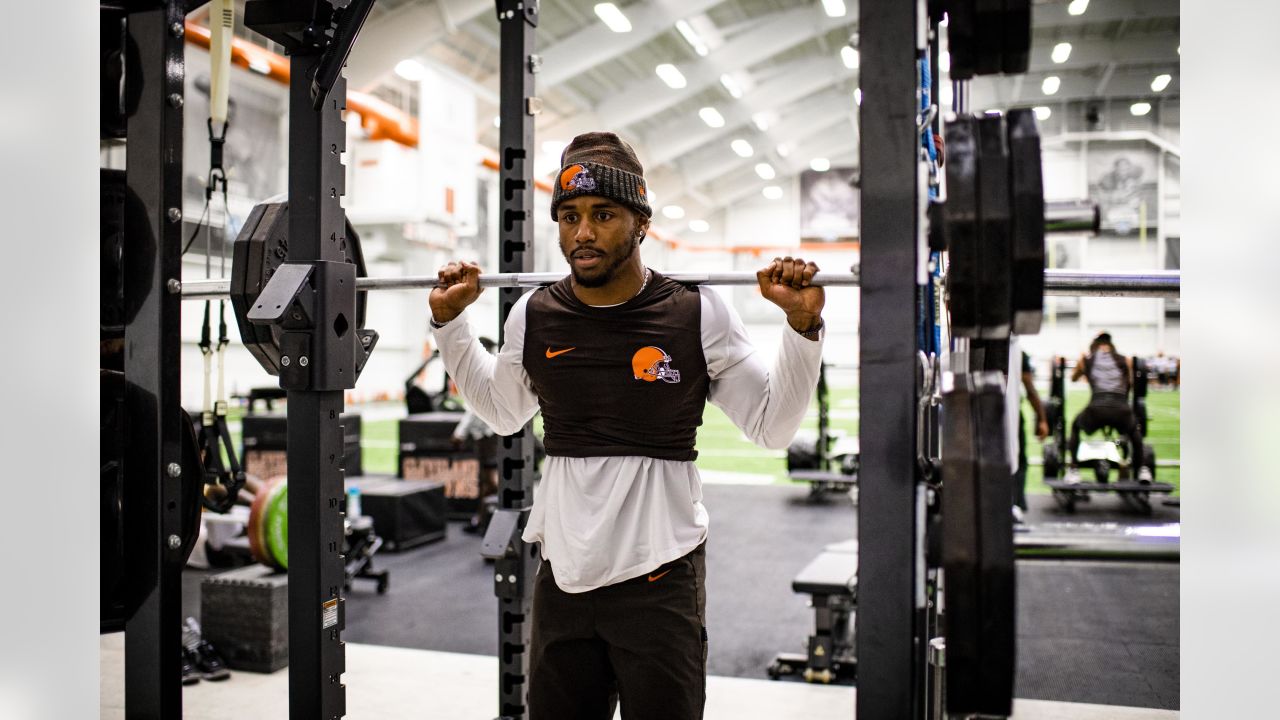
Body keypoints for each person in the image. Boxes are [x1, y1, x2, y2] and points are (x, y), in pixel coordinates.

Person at [427, 131, 825, 719]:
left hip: (659, 577)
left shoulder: (697, 311)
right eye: (568, 216)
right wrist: (450, 327)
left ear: (640, 222)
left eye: (602, 215)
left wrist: (799, 331)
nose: (582, 234)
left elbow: (771, 427)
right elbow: (505, 411)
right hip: (562, 577)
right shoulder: (532, 315)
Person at [1064, 332, 1151, 483]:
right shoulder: (1125, 360)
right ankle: (1143, 469)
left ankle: (1073, 469)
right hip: (1122, 410)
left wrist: (1083, 366)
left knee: (1075, 426)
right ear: (1111, 344)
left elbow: (1073, 378)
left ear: (1095, 344)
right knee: (1134, 430)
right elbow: (1130, 384)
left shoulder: (1086, 359)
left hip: (1096, 410)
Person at [1013, 351, 1049, 523]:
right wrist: (1042, 419)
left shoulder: (1018, 354)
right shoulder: (1018, 353)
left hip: (986, 411)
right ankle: (1015, 504)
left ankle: (1013, 504)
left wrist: (1042, 418)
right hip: (1009, 413)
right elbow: (1030, 389)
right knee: (1018, 459)